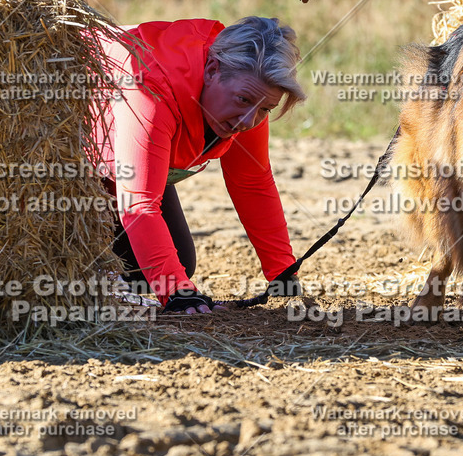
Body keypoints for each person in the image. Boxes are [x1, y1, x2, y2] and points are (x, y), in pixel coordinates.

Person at [89, 16, 306, 314]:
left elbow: (252, 181)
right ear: (212, 70)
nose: (248, 122)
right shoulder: (151, 89)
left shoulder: (251, 96)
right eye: (243, 101)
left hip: (126, 165)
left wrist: (282, 272)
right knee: (142, 267)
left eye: (266, 110)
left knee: (175, 261)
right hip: (76, 159)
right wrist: (176, 294)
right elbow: (138, 205)